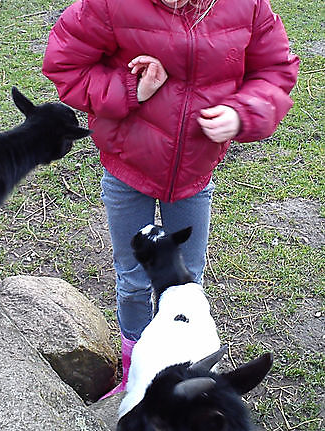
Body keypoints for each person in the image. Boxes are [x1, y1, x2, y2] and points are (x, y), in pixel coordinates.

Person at [42, 0, 298, 399]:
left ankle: (179, 373)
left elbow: (275, 70)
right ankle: (134, 372)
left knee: (188, 282)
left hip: (193, 176)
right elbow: (65, 65)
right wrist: (132, 89)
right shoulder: (110, 5)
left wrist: (243, 111)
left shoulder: (247, 7)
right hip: (128, 168)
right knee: (131, 279)